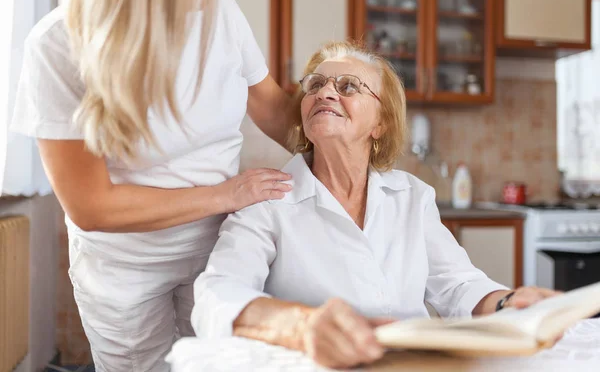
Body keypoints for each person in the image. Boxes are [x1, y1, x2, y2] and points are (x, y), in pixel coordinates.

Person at [191, 41, 561, 369]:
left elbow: (459, 286)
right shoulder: (266, 198)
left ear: (380, 124)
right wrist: (300, 326)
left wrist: (509, 302)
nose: (325, 93)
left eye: (348, 86)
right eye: (315, 85)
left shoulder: (413, 197)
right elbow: (217, 295)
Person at [10, 0, 294, 371]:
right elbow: (92, 207)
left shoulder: (222, 13)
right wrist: (228, 194)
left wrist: (344, 141)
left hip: (220, 251)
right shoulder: (60, 44)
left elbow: (275, 110)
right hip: (125, 272)